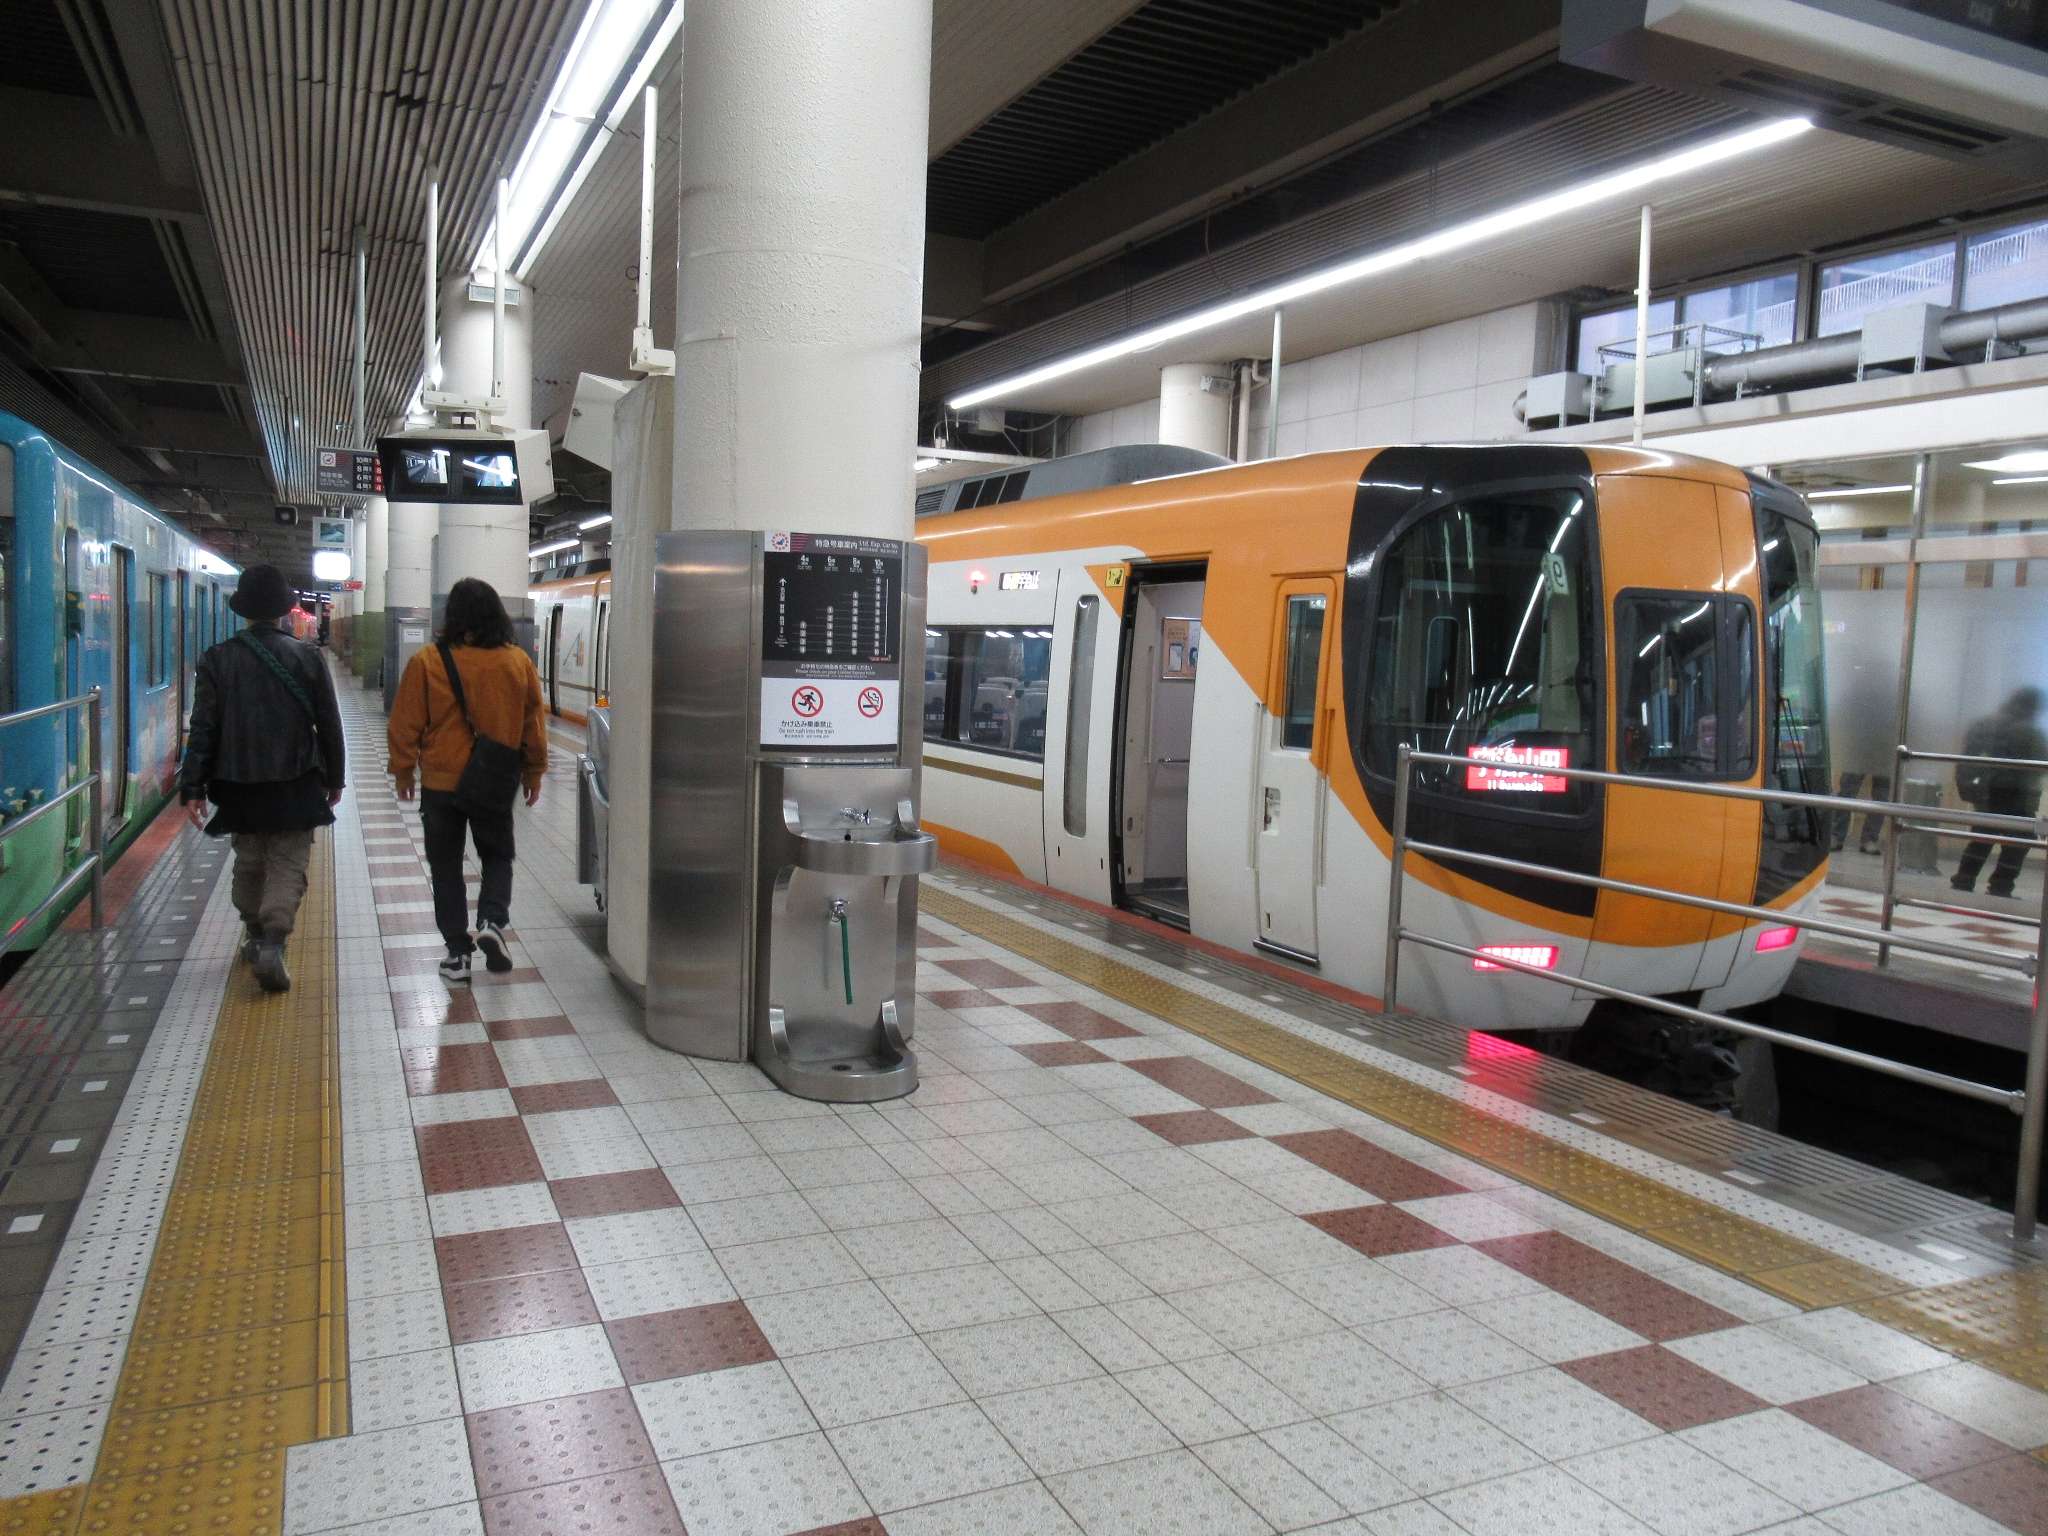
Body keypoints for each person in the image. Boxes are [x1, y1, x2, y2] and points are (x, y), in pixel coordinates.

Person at [178, 564, 346, 993]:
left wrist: (192, 785)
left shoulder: (217, 659)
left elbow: (204, 727)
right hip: (295, 780)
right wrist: (336, 777)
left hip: (237, 784)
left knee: (249, 860)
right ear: (284, 611)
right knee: (288, 863)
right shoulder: (306, 657)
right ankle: (273, 940)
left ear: (243, 612)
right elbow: (329, 723)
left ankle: (254, 933)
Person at [386, 578, 546, 983]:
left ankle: (458, 955)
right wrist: (534, 770)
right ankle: (492, 922)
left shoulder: (427, 660)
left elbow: (405, 721)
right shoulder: (516, 662)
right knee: (496, 854)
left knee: (446, 866)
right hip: (493, 778)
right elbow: (532, 723)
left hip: (442, 783)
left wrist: (404, 768)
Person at [1952, 687, 2047, 899]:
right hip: (2018, 794)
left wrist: (1967, 787)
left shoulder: (1984, 723)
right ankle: (2001, 884)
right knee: (2021, 839)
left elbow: (1967, 759)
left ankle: (1963, 879)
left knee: (1983, 835)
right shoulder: (2030, 731)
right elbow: (2040, 764)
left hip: (1986, 791)